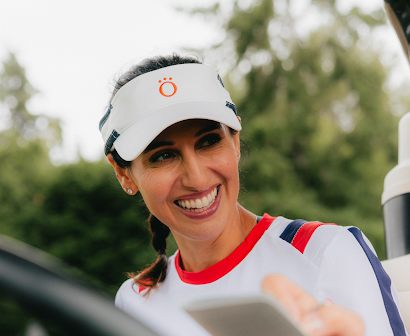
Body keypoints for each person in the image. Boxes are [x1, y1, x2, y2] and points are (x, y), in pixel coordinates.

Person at [100, 54, 407, 336]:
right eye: (163, 156)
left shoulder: (326, 252)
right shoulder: (134, 300)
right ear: (124, 173)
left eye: (208, 141)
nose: (196, 178)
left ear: (235, 141)